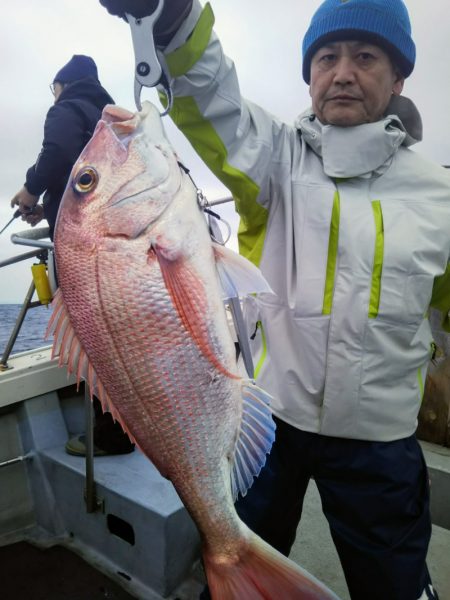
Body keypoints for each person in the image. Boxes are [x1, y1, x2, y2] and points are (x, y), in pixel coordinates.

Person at [99, 1, 450, 598]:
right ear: (309, 75)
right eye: (325, 57)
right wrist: (170, 16)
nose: (342, 72)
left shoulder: (440, 195)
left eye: (365, 57)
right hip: (267, 423)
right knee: (233, 566)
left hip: (381, 442)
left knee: (394, 585)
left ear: (399, 78)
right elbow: (213, 95)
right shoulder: (273, 161)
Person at [10, 55, 134, 457]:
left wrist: (30, 191)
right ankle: (137, 428)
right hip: (117, 249)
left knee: (91, 336)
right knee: (124, 336)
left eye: (54, 87)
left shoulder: (65, 108)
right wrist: (48, 207)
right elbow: (84, 181)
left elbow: (59, 149)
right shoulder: (107, 121)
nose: (54, 94)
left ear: (64, 83)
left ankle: (111, 434)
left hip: (83, 252)